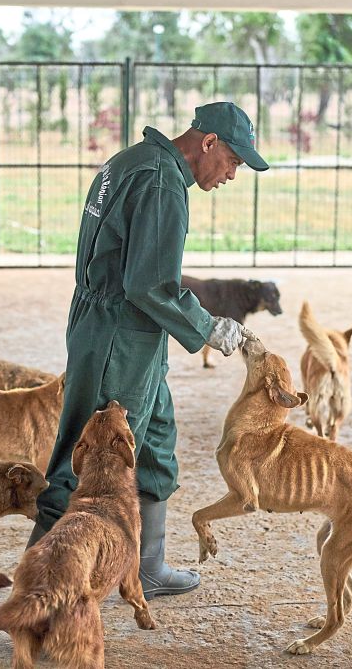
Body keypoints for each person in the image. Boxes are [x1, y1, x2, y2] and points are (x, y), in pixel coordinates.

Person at [30, 102, 270, 598]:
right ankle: (44, 592)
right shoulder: (162, 184)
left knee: (156, 438)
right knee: (91, 458)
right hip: (120, 332)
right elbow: (150, 284)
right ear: (208, 143)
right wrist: (208, 327)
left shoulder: (133, 160)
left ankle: (146, 567)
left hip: (123, 327)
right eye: (233, 160)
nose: (232, 174)